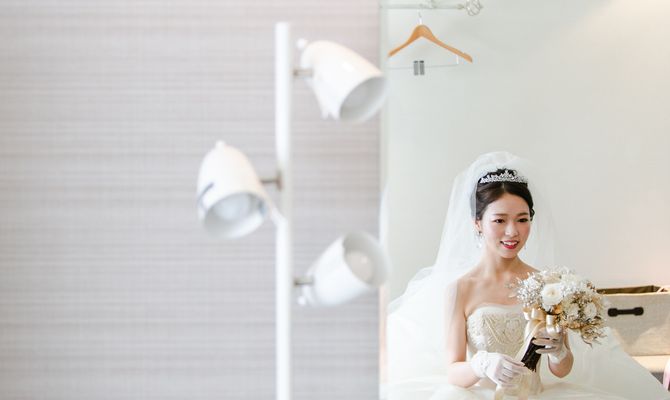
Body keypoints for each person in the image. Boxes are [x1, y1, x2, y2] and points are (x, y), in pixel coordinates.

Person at [386, 152, 669, 400]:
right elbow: (453, 371)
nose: (512, 232)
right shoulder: (460, 289)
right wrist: (482, 364)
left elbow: (561, 370)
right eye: (499, 220)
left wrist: (559, 352)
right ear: (477, 223)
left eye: (522, 219)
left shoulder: (548, 286)